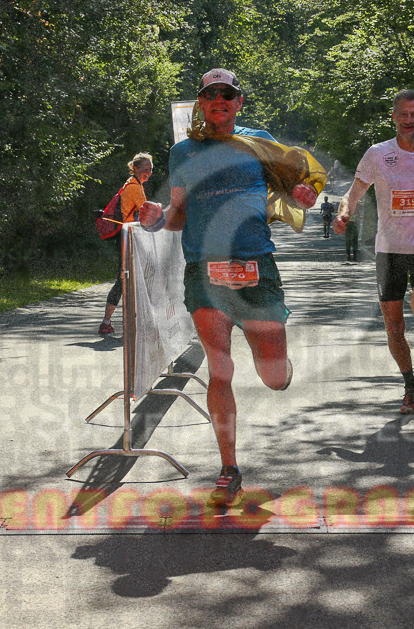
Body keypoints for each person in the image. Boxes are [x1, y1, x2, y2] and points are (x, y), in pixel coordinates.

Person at [138, 68, 314, 506]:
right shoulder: (183, 152)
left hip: (256, 264)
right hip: (205, 269)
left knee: (271, 377)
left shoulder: (259, 142)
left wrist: (302, 194)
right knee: (220, 370)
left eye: (227, 94)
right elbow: (177, 216)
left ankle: (280, 367)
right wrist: (159, 217)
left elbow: (291, 189)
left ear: (238, 102)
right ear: (201, 103)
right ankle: (229, 469)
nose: (219, 100)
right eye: (210, 94)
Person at [332, 89, 414, 415]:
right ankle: (410, 386)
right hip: (388, 249)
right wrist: (343, 213)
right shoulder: (377, 154)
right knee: (393, 327)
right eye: (403, 115)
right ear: (394, 117)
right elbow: (354, 192)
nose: (409, 120)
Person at [98, 153, 153, 336]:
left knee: (127, 279)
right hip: (127, 239)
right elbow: (147, 213)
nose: (148, 172)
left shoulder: (130, 184)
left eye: (150, 169)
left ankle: (116, 322)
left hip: (127, 238)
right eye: (145, 169)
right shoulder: (135, 188)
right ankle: (109, 322)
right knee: (125, 280)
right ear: (135, 168)